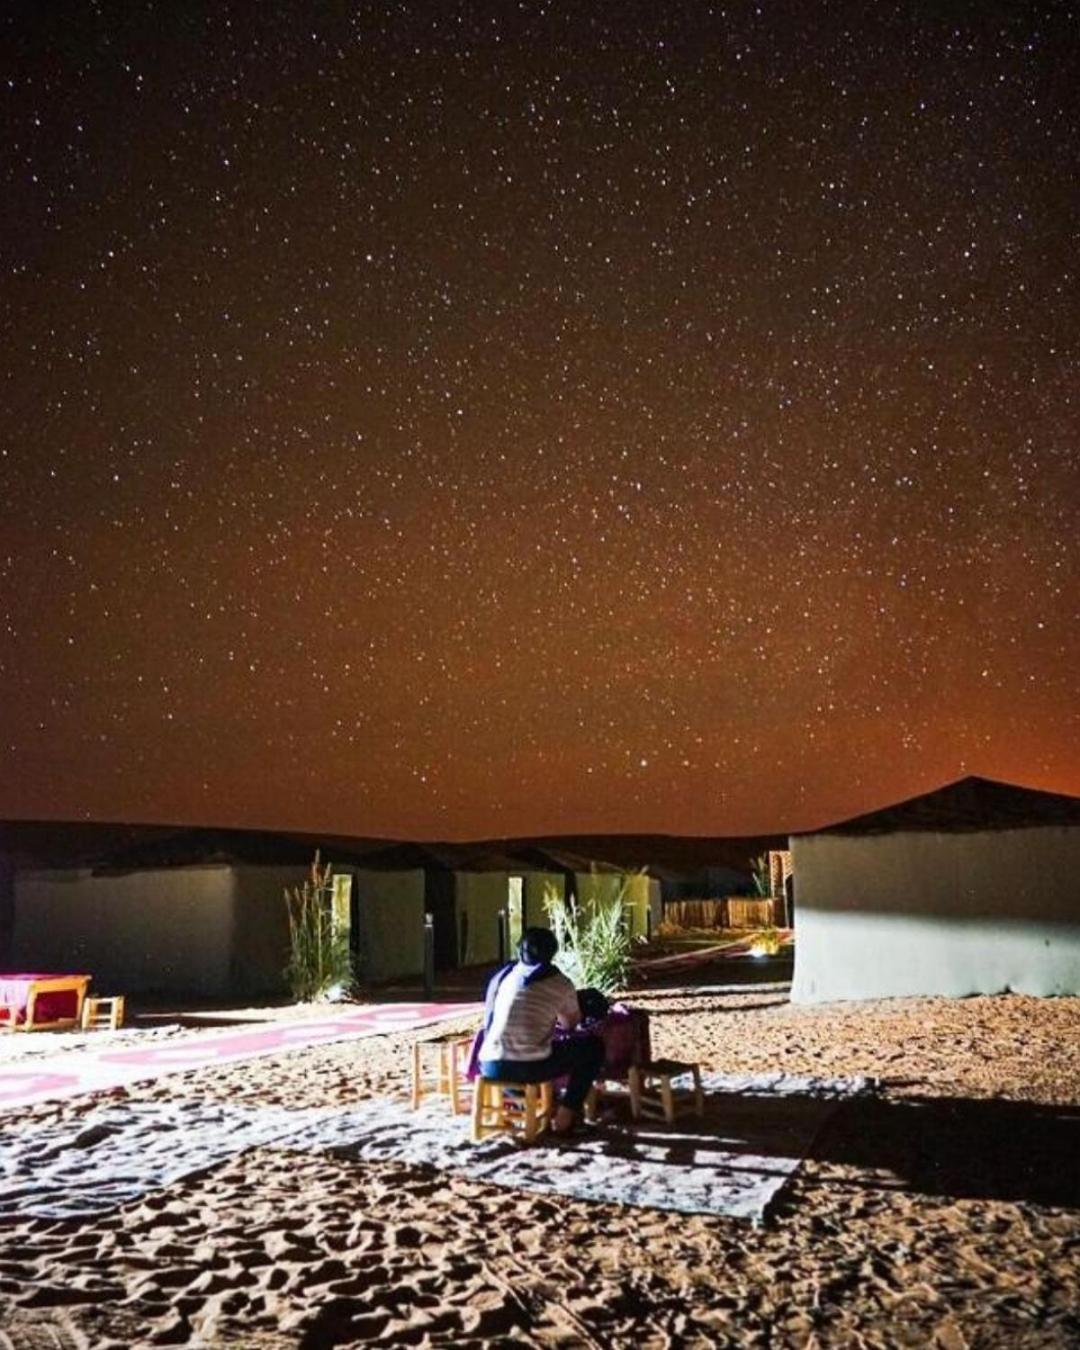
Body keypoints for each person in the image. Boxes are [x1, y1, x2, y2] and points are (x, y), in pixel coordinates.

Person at [477, 926, 604, 1135]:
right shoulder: (560, 982)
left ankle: (526, 1110)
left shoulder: (504, 976)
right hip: (529, 1068)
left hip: (490, 1064)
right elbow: (569, 1024)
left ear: (520, 950)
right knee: (593, 1049)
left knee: (525, 1054)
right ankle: (565, 1116)